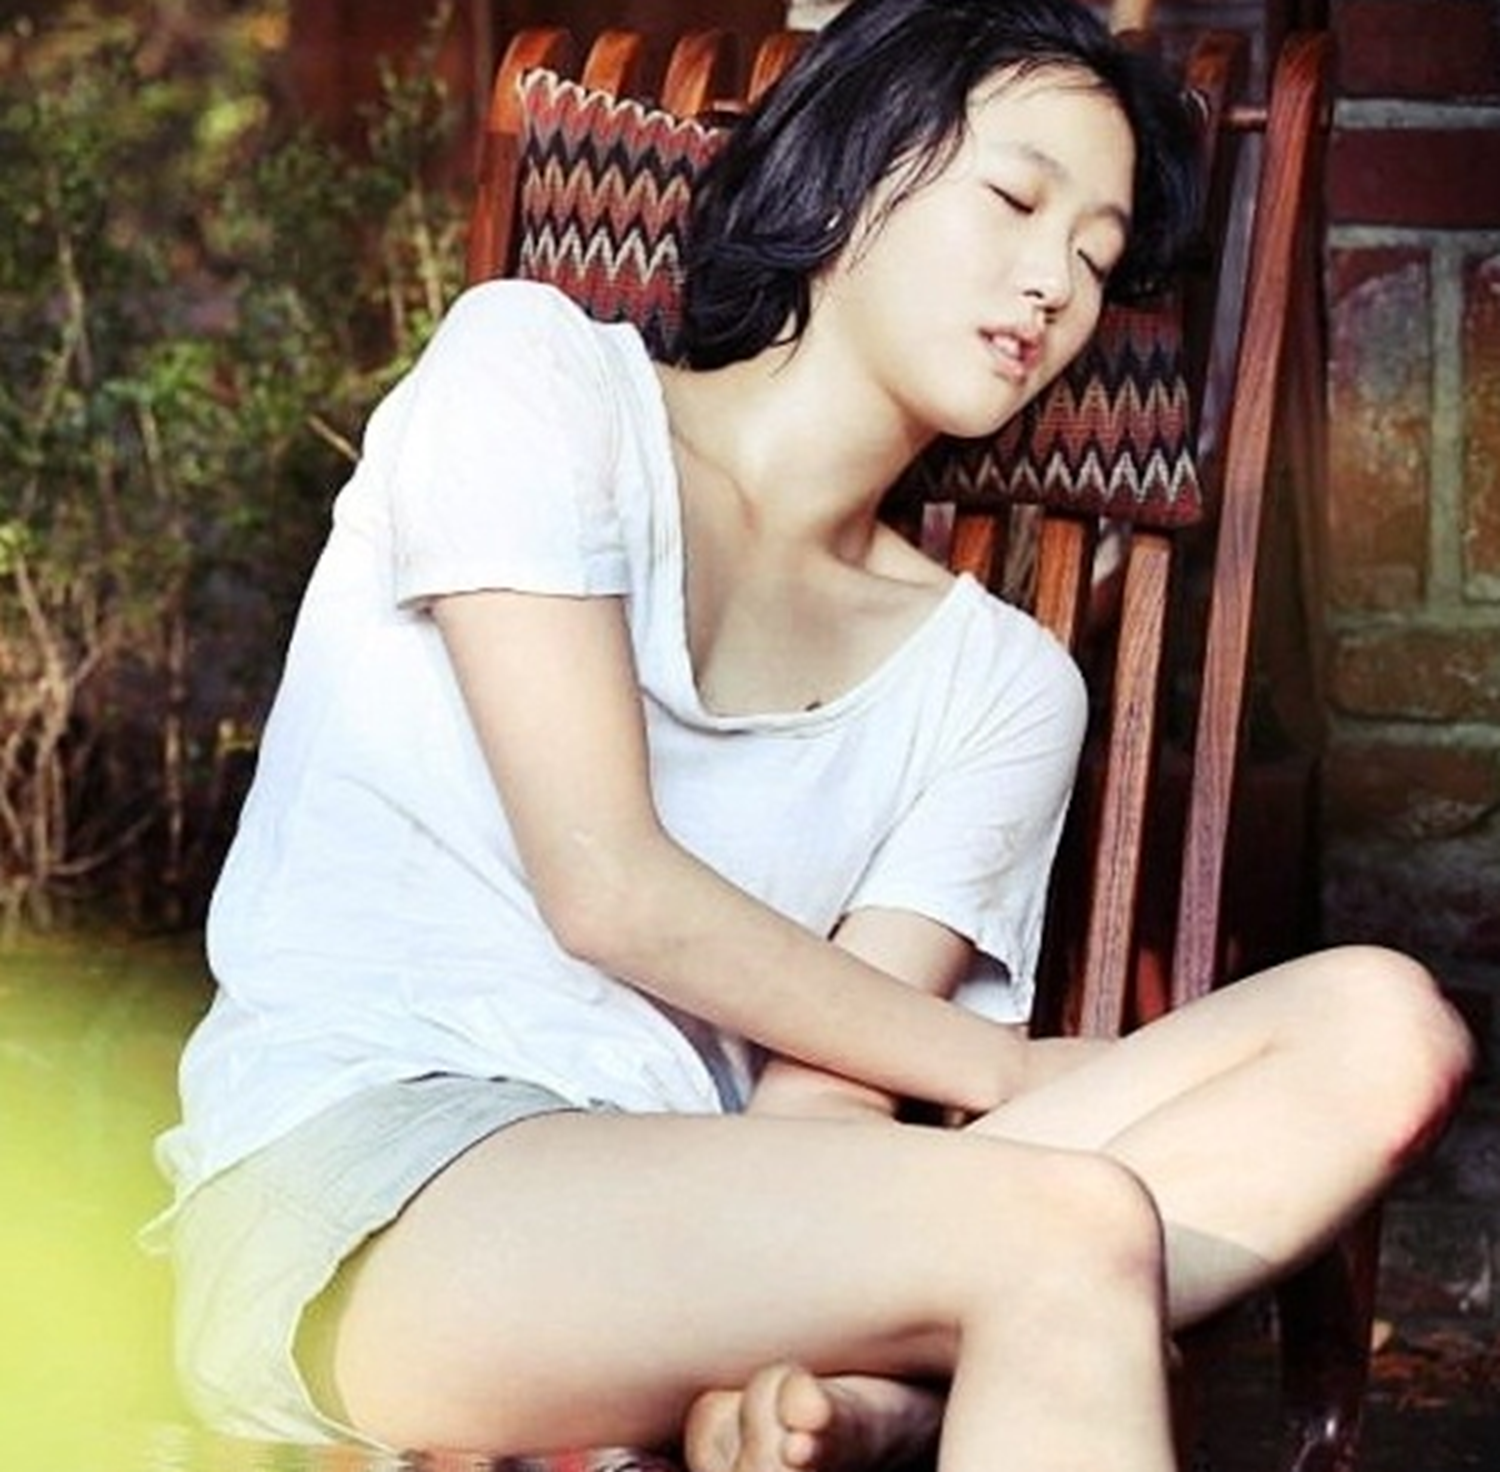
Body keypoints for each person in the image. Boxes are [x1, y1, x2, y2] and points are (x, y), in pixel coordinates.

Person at [150, 1, 1474, 1469]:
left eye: (1099, 260)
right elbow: (607, 886)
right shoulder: (530, 381)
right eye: (1015, 201)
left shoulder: (1001, 683)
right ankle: (917, 1395)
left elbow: (825, 1101)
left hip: (718, 1208)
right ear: (851, 171)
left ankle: (855, 1383)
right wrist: (1006, 1076)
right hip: (381, 1186)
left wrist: (879, 1198)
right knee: (1064, 1225)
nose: (1055, 285)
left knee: (1382, 1023)